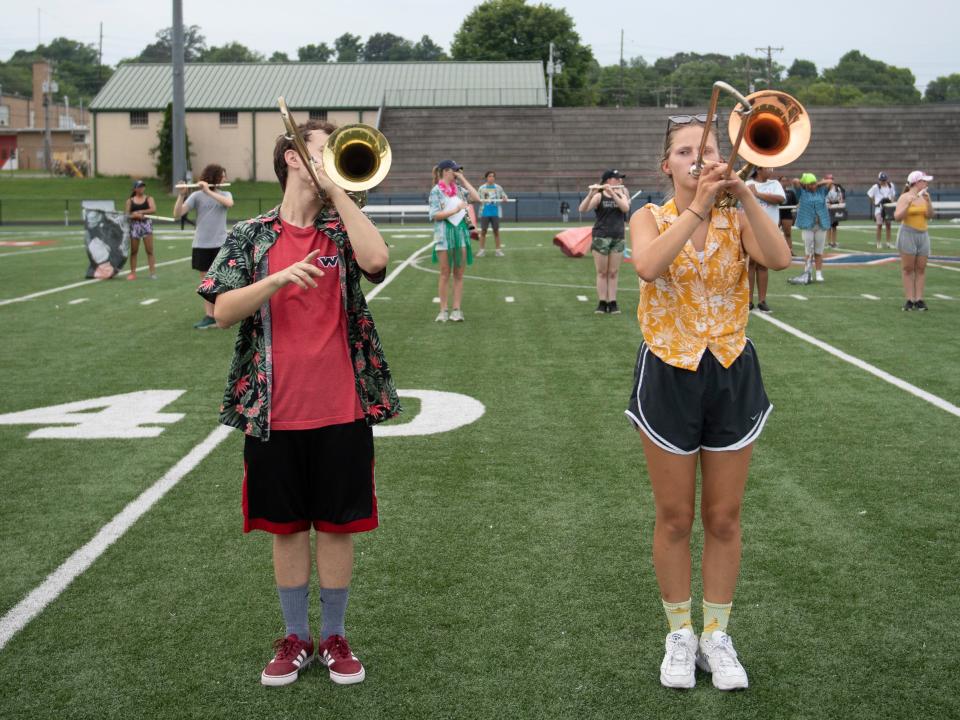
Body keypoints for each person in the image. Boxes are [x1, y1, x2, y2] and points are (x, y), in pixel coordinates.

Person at [196, 119, 401, 688]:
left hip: (342, 408)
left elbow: (378, 261)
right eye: (321, 151)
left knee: (337, 527)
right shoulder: (251, 234)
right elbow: (221, 310)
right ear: (291, 158)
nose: (332, 159)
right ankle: (294, 637)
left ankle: (334, 637)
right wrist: (278, 278)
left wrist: (338, 191)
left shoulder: (341, 228)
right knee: (286, 529)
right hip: (273, 410)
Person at [626, 113, 791, 691]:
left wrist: (742, 192)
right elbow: (649, 266)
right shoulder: (649, 216)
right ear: (665, 164)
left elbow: (779, 258)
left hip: (729, 370)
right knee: (675, 517)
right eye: (684, 151)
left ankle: (716, 634)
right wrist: (697, 204)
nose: (697, 158)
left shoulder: (736, 215)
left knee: (723, 517)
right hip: (669, 371)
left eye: (708, 149)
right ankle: (679, 634)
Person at [174, 163, 234, 329]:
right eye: (223, 176)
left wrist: (208, 191)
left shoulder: (225, 193)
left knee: (222, 281)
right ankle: (210, 315)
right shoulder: (197, 196)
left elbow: (229, 204)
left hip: (220, 244)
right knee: (206, 282)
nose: (225, 179)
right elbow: (177, 213)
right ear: (215, 176)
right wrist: (181, 195)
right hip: (201, 244)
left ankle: (224, 313)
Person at [428, 160, 481, 322]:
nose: (457, 173)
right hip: (443, 234)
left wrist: (463, 179)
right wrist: (455, 210)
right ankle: (443, 310)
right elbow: (434, 215)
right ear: (445, 171)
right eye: (454, 171)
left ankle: (457, 309)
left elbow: (476, 198)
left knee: (459, 274)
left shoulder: (459, 189)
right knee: (445, 273)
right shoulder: (436, 191)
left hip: (461, 234)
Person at [579, 169, 630, 314]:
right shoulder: (599, 196)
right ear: (609, 180)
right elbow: (582, 209)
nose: (620, 181)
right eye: (617, 178)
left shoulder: (622, 192)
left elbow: (625, 208)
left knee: (613, 272)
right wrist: (590, 194)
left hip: (617, 236)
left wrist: (614, 193)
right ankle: (602, 302)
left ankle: (612, 302)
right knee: (602, 272)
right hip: (601, 236)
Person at [893, 170, 935, 311]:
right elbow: (897, 217)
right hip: (908, 233)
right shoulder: (905, 197)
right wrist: (907, 205)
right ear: (917, 182)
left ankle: (919, 299)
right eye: (924, 181)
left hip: (923, 234)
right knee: (908, 269)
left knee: (921, 268)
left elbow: (930, 215)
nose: (926, 183)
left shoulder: (925, 197)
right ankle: (910, 300)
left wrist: (929, 203)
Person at [745, 167, 785, 312]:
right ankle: (748, 300)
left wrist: (757, 194)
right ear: (759, 169)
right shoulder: (746, 183)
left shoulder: (774, 184)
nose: (772, 170)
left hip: (769, 230)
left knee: (763, 265)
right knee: (750, 265)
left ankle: (762, 300)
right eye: (769, 168)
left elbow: (780, 199)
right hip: (750, 229)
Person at [791, 173, 833, 282]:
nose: (813, 186)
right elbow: (795, 180)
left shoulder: (821, 191)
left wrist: (817, 184)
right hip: (807, 225)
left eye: (814, 183)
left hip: (821, 225)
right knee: (808, 251)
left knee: (818, 251)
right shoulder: (802, 192)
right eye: (811, 184)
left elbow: (829, 182)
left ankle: (818, 273)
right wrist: (805, 184)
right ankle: (807, 272)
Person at [125, 180, 157, 280]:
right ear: (135, 189)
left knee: (149, 250)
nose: (142, 188)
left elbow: (153, 209)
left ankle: (152, 273)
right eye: (139, 187)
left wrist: (141, 212)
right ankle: (133, 273)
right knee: (134, 251)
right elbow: (127, 214)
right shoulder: (130, 200)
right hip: (135, 226)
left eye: (143, 186)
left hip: (146, 225)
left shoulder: (149, 198)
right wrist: (134, 216)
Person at [476, 170, 510, 257]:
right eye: (490, 176)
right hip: (485, 212)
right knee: (483, 231)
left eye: (493, 176)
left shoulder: (498, 188)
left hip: (495, 212)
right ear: (486, 178)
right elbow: (477, 198)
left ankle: (498, 250)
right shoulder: (481, 188)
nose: (491, 178)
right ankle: (481, 250)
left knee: (496, 231)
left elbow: (504, 196)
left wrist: (505, 198)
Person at [867, 172, 897, 249]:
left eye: (884, 180)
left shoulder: (891, 186)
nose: (883, 182)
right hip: (879, 208)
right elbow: (869, 194)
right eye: (881, 180)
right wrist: (874, 202)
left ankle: (888, 242)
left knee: (888, 225)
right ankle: (878, 243)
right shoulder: (875, 187)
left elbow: (893, 195)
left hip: (888, 208)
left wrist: (892, 202)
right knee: (879, 225)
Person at [824, 174, 846, 248]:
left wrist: (840, 202)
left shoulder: (837, 188)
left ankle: (834, 242)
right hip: (827, 208)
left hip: (835, 208)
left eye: (831, 179)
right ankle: (828, 242)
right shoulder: (824, 188)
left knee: (834, 226)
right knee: (828, 226)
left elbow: (840, 197)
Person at [778, 175, 797, 255]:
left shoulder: (790, 192)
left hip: (787, 214)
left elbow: (795, 203)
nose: (784, 183)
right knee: (774, 233)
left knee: (788, 233)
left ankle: (790, 250)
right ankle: (776, 250)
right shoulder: (775, 192)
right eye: (782, 181)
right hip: (777, 213)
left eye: (785, 181)